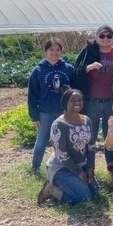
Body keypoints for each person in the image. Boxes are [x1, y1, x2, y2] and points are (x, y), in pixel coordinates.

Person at [37, 89, 98, 205]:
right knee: (84, 197)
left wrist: (90, 169)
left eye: (80, 100)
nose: (77, 103)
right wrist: (80, 173)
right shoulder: (59, 125)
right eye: (73, 100)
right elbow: (62, 155)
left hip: (81, 165)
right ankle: (52, 190)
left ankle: (74, 187)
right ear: (65, 103)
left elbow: (91, 147)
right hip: (61, 168)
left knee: (95, 192)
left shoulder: (86, 120)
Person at [73, 24, 113, 144]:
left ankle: (111, 162)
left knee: (112, 136)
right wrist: (88, 68)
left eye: (109, 36)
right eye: (102, 36)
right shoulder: (89, 52)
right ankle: (89, 162)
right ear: (96, 37)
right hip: (92, 102)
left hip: (111, 102)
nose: (106, 39)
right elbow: (76, 72)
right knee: (89, 137)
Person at [28, 38, 74, 175]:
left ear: (61, 51)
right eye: (51, 49)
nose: (54, 52)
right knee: (41, 141)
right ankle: (35, 168)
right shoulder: (38, 71)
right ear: (46, 51)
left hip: (65, 112)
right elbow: (32, 95)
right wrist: (34, 115)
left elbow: (75, 90)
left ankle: (66, 167)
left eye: (57, 50)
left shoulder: (68, 69)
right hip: (45, 112)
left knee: (65, 142)